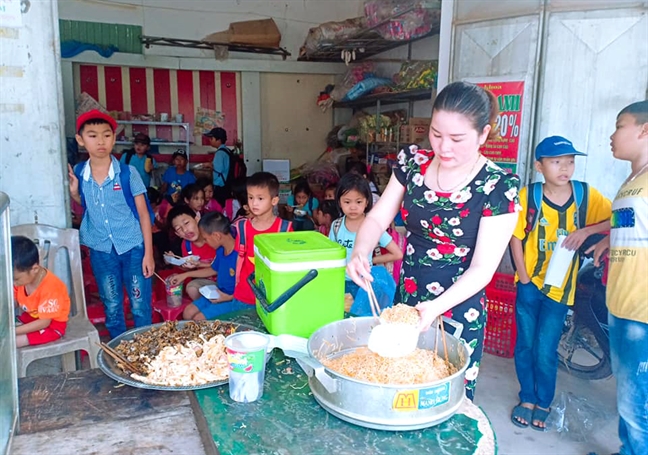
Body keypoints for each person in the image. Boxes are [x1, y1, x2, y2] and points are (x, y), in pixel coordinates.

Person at [346, 81, 522, 400]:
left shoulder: (498, 186)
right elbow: (376, 218)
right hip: (408, 300)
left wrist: (435, 309)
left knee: (441, 397)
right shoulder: (414, 162)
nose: (444, 147)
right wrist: (360, 251)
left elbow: (483, 269)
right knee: (397, 387)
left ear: (484, 134)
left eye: (457, 138)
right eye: (436, 134)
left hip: (457, 308)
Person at [509, 136, 612, 430]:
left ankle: (544, 401)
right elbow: (516, 237)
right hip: (529, 285)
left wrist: (588, 231)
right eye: (556, 162)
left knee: (545, 348)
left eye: (570, 161)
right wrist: (525, 278)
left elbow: (617, 216)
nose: (565, 168)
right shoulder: (528, 196)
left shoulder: (584, 195)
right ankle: (526, 397)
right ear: (540, 166)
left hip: (560, 291)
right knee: (525, 345)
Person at [587, 101, 648, 455]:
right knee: (628, 397)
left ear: (644, 130)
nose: (612, 135)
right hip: (622, 302)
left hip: (642, 308)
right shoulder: (633, 180)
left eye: (619, 125)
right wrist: (609, 240)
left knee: (639, 406)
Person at [68, 109, 154, 339]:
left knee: (139, 304)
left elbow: (144, 215)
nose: (100, 141)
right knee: (112, 305)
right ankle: (120, 349)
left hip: (133, 248)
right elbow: (91, 207)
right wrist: (75, 193)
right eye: (93, 135)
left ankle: (146, 347)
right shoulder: (79, 172)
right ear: (80, 139)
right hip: (101, 250)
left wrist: (149, 254)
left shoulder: (128, 173)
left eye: (106, 135)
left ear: (114, 138)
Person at [330, 173, 403, 300]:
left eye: (358, 202)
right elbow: (330, 256)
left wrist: (371, 261)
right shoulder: (336, 226)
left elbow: (397, 254)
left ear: (367, 202)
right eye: (347, 202)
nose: (353, 207)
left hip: (365, 284)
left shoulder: (373, 228)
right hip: (339, 284)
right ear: (339, 202)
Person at [232, 172, 293, 306]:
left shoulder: (284, 229)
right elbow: (240, 258)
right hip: (243, 295)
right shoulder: (242, 227)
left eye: (260, 198)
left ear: (274, 201)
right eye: (250, 197)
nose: (254, 203)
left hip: (273, 298)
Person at [12, 235, 71, 348]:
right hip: (31, 318)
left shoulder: (51, 287)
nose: (14, 283)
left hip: (52, 326)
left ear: (34, 269)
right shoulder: (21, 279)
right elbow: (14, 301)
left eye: (16, 279)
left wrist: (13, 331)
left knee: (11, 342)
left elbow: (44, 322)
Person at [183, 212, 240, 320]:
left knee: (199, 319)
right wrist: (185, 275)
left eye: (205, 238)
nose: (205, 242)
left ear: (217, 236)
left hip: (234, 299)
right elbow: (213, 269)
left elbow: (250, 289)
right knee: (188, 312)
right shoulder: (221, 250)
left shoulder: (240, 255)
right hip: (218, 293)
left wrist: (228, 297)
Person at [166, 205, 217, 300]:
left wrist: (185, 275)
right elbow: (191, 269)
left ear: (197, 219)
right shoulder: (186, 245)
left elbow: (218, 268)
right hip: (208, 283)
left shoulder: (213, 238)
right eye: (179, 229)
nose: (185, 230)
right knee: (192, 288)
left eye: (186, 223)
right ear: (177, 234)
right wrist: (177, 262)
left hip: (226, 280)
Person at [204, 127, 231, 206]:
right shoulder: (227, 150)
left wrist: (209, 165)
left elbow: (218, 170)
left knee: (218, 205)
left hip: (220, 185)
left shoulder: (219, 153)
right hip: (227, 183)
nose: (210, 140)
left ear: (218, 140)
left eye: (212, 138)